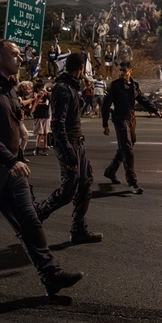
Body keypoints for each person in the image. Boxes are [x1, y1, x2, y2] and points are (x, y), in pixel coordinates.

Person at [0, 39, 82, 302]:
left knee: (30, 222)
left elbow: (11, 127)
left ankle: (50, 275)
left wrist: (17, 159)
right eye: (15, 54)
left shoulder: (9, 89)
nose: (21, 59)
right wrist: (10, 161)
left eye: (20, 54)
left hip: (11, 171)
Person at [34, 53, 103, 244]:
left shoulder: (71, 87)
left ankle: (78, 230)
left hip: (77, 143)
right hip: (68, 143)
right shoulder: (63, 89)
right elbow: (57, 124)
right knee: (68, 190)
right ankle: (36, 214)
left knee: (85, 184)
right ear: (80, 69)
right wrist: (69, 151)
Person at [101, 61, 162, 194]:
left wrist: (155, 110)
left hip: (131, 118)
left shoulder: (134, 86)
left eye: (124, 70)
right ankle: (132, 182)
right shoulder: (114, 86)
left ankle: (110, 171)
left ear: (130, 71)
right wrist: (105, 124)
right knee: (127, 149)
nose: (121, 72)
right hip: (120, 119)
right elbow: (106, 105)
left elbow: (142, 99)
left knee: (127, 146)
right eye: (120, 70)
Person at [31, 81, 51, 156]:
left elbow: (51, 102)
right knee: (40, 134)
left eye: (43, 88)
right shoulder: (35, 96)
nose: (43, 89)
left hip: (46, 116)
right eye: (41, 88)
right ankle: (37, 148)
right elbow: (33, 107)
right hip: (38, 116)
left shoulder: (47, 96)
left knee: (46, 133)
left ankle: (45, 148)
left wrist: (48, 95)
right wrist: (39, 97)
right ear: (37, 89)